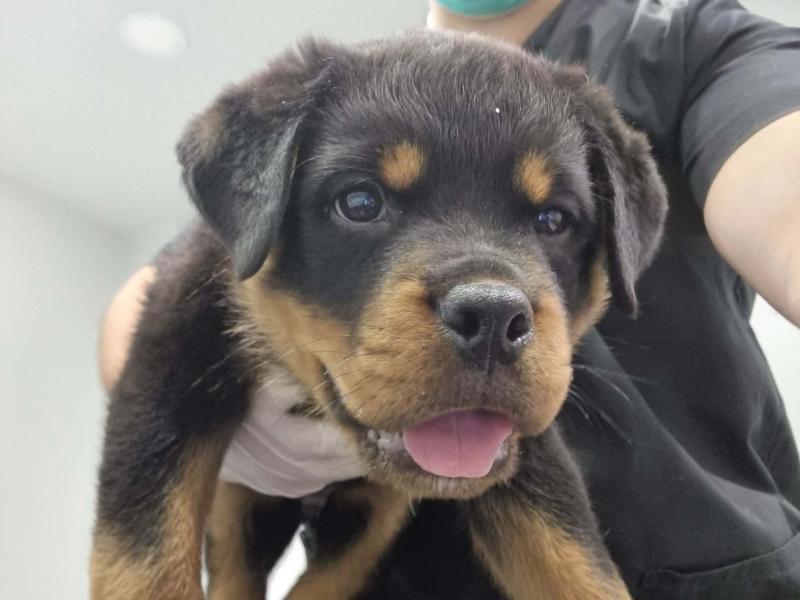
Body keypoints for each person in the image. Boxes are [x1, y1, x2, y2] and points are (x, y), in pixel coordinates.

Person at [99, 0, 800, 597]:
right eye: (361, 202)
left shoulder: (691, 43)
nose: (492, 300)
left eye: (552, 219)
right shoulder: (337, 89)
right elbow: (154, 311)